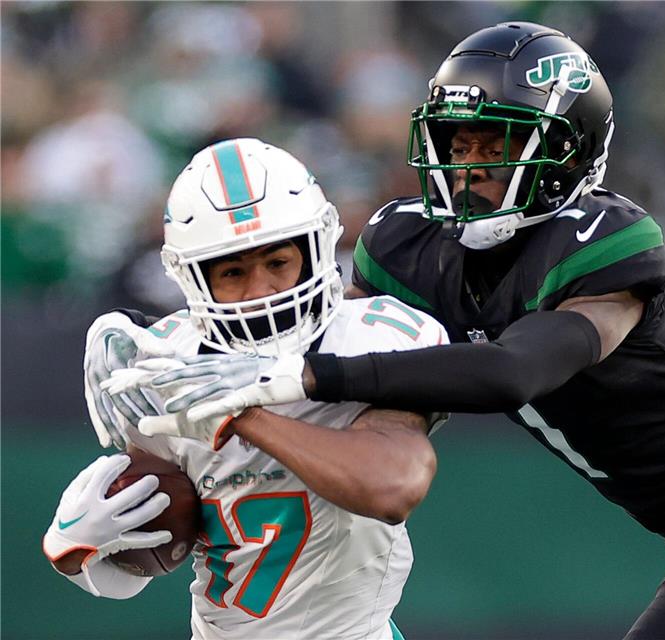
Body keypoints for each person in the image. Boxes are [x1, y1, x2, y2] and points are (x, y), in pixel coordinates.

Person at [110, 23, 665, 640]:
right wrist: (177, 348)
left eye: (499, 143)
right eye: (459, 143)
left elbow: (516, 372)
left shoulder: (605, 242)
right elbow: (322, 324)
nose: (471, 166)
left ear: (569, 150)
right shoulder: (408, 246)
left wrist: (298, 379)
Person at [43, 138, 448, 640]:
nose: (260, 292)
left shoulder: (375, 337)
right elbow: (152, 548)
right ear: (192, 279)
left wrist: (242, 412)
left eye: (277, 262)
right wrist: (84, 541)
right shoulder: (162, 361)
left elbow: (392, 486)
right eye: (233, 272)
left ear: (316, 247)